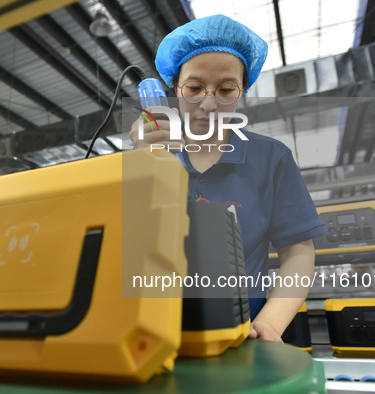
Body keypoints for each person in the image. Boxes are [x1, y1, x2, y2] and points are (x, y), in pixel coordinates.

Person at [129, 14, 326, 342]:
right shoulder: (152, 156)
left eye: (225, 89)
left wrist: (271, 324)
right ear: (175, 88)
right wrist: (142, 165)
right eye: (194, 88)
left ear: (242, 91)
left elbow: (298, 252)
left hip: (244, 329)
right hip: (156, 327)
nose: (208, 103)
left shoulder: (270, 158)